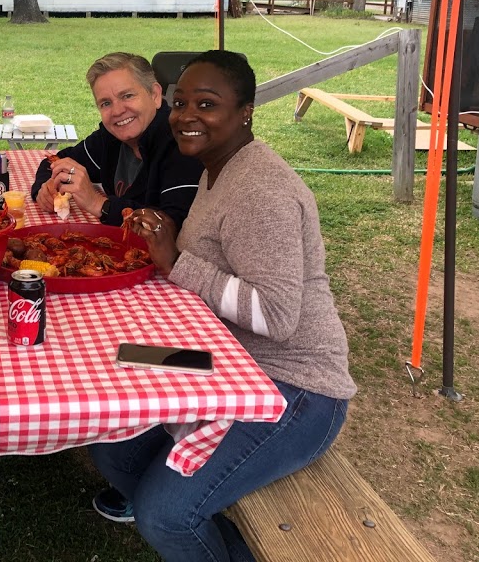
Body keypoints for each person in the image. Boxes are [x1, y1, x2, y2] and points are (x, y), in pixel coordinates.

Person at [88, 50, 356, 561]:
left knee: (165, 516)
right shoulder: (217, 168)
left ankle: (186, 514)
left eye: (207, 104)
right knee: (111, 438)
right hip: (219, 357)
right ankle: (202, 513)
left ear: (245, 111)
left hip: (293, 385)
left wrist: (176, 261)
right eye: (181, 103)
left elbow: (277, 316)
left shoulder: (261, 191)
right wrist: (169, 240)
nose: (187, 116)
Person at [30, 52, 203, 228]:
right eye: (106, 103)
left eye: (127, 96)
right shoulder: (110, 137)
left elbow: (175, 225)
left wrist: (99, 204)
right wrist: (46, 188)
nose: (117, 111)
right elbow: (56, 161)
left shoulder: (182, 142)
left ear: (155, 95)